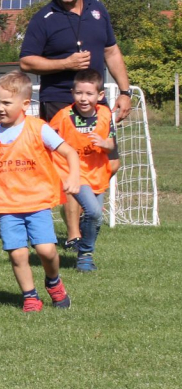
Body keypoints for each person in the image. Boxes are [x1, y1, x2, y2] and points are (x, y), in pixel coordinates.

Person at [19, 0, 132, 248]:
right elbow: (26, 60)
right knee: (68, 165)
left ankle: (88, 215)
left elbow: (112, 52)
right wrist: (64, 63)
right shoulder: (44, 17)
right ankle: (74, 234)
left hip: (98, 102)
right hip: (59, 102)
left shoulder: (98, 10)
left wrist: (124, 90)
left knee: (110, 159)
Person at [0, 71, 80, 312]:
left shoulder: (39, 129)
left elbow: (70, 152)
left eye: (6, 102)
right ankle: (30, 296)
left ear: (25, 104)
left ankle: (54, 282)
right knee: (17, 254)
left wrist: (74, 176)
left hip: (37, 202)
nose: (0, 107)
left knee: (46, 251)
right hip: (7, 205)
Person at [50, 69, 115, 272]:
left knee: (96, 219)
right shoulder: (63, 116)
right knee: (93, 212)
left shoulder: (105, 114)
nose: (83, 98)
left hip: (98, 172)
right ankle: (85, 256)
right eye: (79, 93)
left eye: (89, 94)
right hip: (74, 173)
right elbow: (46, 139)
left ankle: (84, 251)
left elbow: (111, 144)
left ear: (100, 96)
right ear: (72, 93)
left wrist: (104, 144)